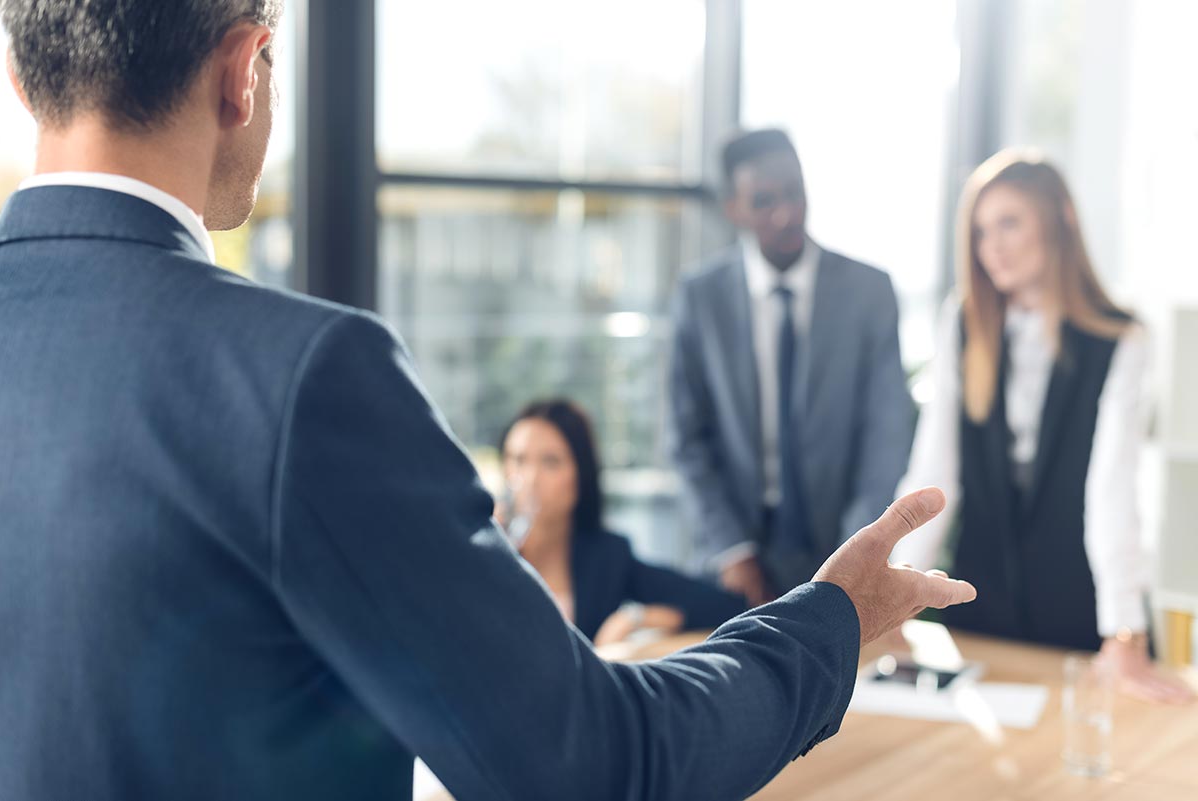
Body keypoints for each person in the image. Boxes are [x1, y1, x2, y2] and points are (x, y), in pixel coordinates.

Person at [0, 2, 977, 798]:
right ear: (243, 70)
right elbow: (587, 763)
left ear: (20, 75)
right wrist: (830, 621)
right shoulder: (301, 375)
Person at [892, 150, 1192, 704]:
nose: (993, 247)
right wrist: (891, 593)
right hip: (978, 611)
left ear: (1060, 220)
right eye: (982, 231)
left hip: (1077, 614)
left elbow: (1112, 492)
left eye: (1009, 223)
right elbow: (935, 473)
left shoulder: (1121, 339)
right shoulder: (963, 324)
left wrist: (1124, 633)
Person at [669, 128, 915, 606]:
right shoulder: (700, 298)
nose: (787, 213)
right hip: (734, 558)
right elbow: (685, 440)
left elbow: (885, 434)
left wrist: (858, 553)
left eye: (795, 193)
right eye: (764, 200)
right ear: (733, 208)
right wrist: (732, 551)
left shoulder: (869, 293)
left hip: (840, 549)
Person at [499, 399, 747, 645]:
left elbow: (721, 606)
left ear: (581, 475)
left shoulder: (606, 556)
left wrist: (635, 618)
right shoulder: (490, 548)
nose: (530, 478)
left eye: (550, 462)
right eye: (518, 460)